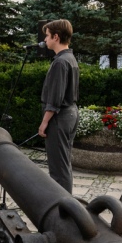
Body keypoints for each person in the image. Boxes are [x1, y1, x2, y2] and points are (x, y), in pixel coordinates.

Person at [37, 19, 79, 194]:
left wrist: (44, 122)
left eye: (47, 36)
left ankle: (63, 212)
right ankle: (65, 208)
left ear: (56, 36)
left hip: (60, 118)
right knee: (63, 164)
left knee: (58, 169)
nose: (45, 40)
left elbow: (55, 99)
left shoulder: (61, 62)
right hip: (69, 114)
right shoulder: (69, 58)